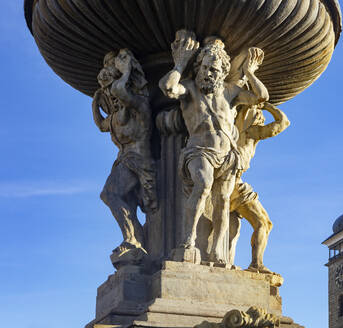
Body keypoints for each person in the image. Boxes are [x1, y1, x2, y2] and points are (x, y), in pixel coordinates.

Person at [159, 30, 268, 264]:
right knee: (203, 184)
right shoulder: (189, 88)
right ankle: (187, 242)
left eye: (215, 69)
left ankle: (218, 253)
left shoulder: (230, 91)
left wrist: (249, 72)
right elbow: (168, 88)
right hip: (199, 151)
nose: (210, 73)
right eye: (206, 67)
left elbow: (261, 97)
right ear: (198, 67)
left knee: (222, 203)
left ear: (223, 72)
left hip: (227, 155)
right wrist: (180, 64)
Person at [92, 49, 157, 267]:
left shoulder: (139, 105)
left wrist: (126, 70)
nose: (110, 93)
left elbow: (121, 91)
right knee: (113, 196)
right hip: (125, 159)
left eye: (111, 88)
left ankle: (133, 240)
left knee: (110, 194)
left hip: (138, 159)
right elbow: (101, 125)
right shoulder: (117, 115)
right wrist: (95, 102)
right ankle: (134, 239)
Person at [229, 102, 290, 273]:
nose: (263, 118)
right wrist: (269, 106)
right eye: (259, 115)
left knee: (263, 224)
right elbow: (283, 122)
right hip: (234, 184)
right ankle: (256, 264)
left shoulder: (240, 130)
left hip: (234, 181)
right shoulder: (252, 132)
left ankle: (256, 262)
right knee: (263, 223)